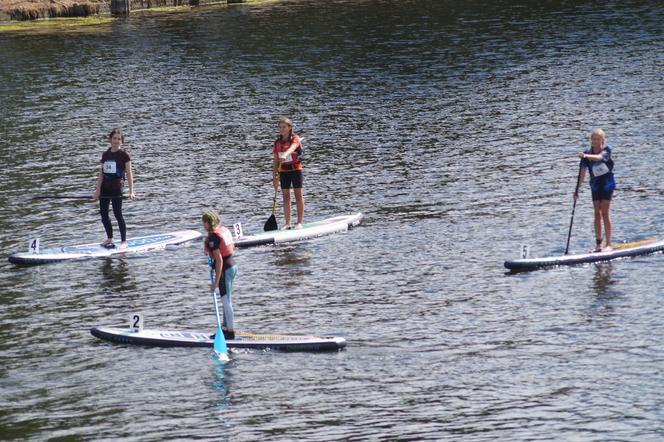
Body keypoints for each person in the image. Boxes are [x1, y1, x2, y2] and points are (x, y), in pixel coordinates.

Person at [93, 128, 135, 249]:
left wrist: (131, 191)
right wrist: (97, 190)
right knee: (104, 214)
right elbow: (101, 173)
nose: (116, 141)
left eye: (118, 139)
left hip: (117, 189)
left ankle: (123, 241)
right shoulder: (105, 154)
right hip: (105, 189)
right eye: (114, 138)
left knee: (118, 214)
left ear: (121, 141)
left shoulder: (124, 155)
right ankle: (110, 238)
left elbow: (129, 173)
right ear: (110, 140)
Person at [575, 128, 615, 252]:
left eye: (598, 139)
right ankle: (598, 244)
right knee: (596, 214)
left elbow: (598, 158)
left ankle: (608, 244)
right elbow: (582, 174)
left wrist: (585, 155)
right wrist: (576, 190)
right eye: (593, 139)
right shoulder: (586, 154)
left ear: (602, 140)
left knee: (604, 212)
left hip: (607, 184)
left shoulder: (607, 149)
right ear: (591, 140)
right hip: (595, 185)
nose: (595, 141)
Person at [203, 209, 237, 340]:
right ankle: (224, 328)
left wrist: (216, 282)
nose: (203, 225)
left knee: (226, 301)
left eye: (203, 222)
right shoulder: (223, 230)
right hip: (232, 266)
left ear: (207, 223)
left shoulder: (213, 237)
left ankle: (231, 332)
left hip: (225, 270)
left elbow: (219, 260)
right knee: (227, 300)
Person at [272, 117, 304, 229]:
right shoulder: (277, 142)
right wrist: (274, 177)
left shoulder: (295, 138)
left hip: (296, 170)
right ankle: (287, 223)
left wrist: (285, 154)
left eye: (284, 127)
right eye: (280, 127)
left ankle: (299, 222)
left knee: (298, 195)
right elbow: (275, 161)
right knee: (286, 197)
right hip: (284, 171)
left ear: (289, 128)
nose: (282, 129)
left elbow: (293, 148)